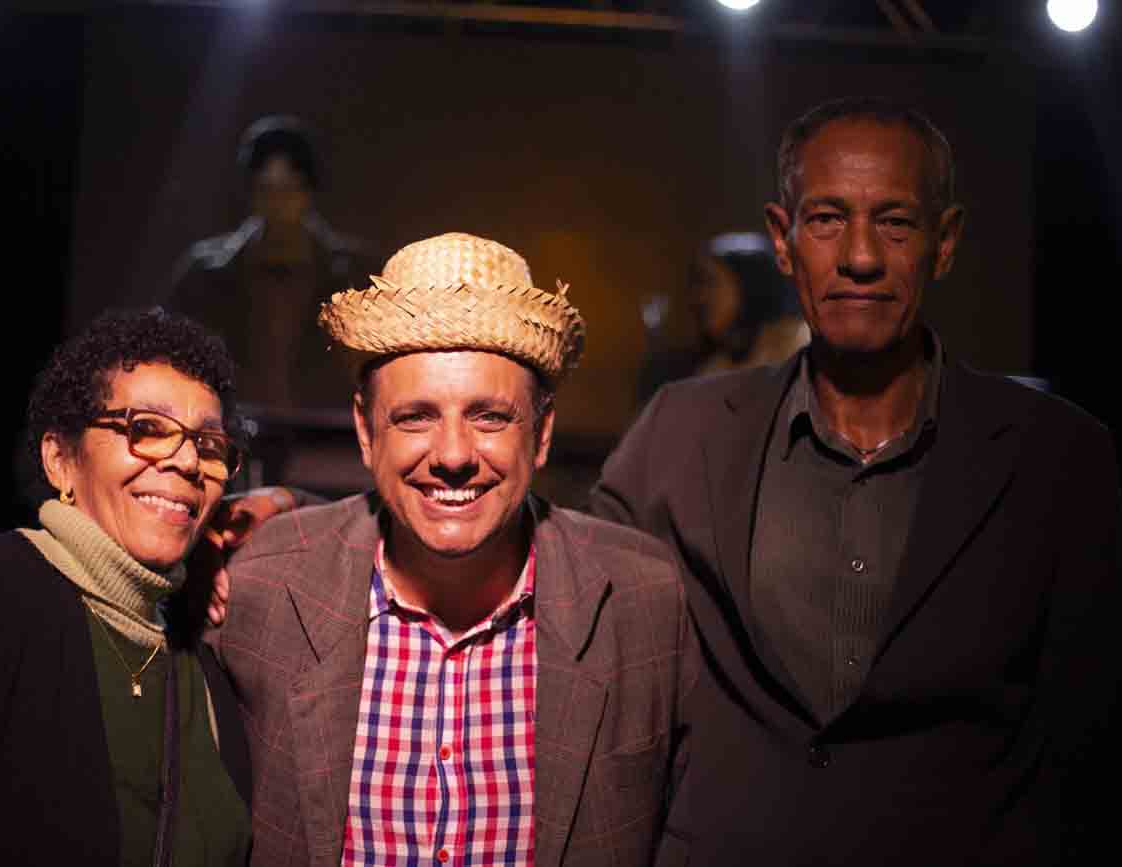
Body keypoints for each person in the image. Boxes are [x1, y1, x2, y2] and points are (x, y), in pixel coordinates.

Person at [590, 98, 1122, 864]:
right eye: (826, 219)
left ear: (944, 242)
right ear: (783, 240)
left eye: (895, 222)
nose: (860, 256)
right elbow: (576, 637)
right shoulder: (680, 434)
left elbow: (1096, 758)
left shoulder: (1058, 457)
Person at [208, 232, 698, 866]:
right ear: (366, 431)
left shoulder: (644, 599)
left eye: (489, 416)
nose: (454, 455)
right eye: (415, 416)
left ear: (542, 432)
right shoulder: (258, 589)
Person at [0, 308, 253, 866]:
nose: (188, 461)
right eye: (147, 429)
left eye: (208, 444)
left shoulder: (200, 656)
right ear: (61, 460)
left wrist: (281, 499)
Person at [167, 114, 381, 412]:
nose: (278, 203)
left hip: (324, 433)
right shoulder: (203, 274)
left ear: (308, 191)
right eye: (266, 190)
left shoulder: (356, 275)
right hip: (227, 428)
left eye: (289, 189)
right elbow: (169, 359)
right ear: (251, 192)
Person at [637, 232, 809, 404]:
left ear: (750, 284)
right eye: (697, 284)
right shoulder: (714, 368)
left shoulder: (801, 349)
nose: (698, 298)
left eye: (710, 282)